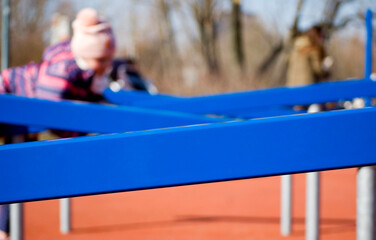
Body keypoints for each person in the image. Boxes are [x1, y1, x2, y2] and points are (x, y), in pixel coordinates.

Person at [0, 8, 123, 239]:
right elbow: (54, 115)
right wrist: (80, 132)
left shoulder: (84, 65)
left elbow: (92, 95)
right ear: (88, 56)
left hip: (25, 109)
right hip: (7, 95)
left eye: (109, 60)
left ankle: (4, 228)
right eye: (102, 61)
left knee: (15, 169)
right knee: (9, 167)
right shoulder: (60, 75)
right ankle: (4, 230)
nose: (107, 66)